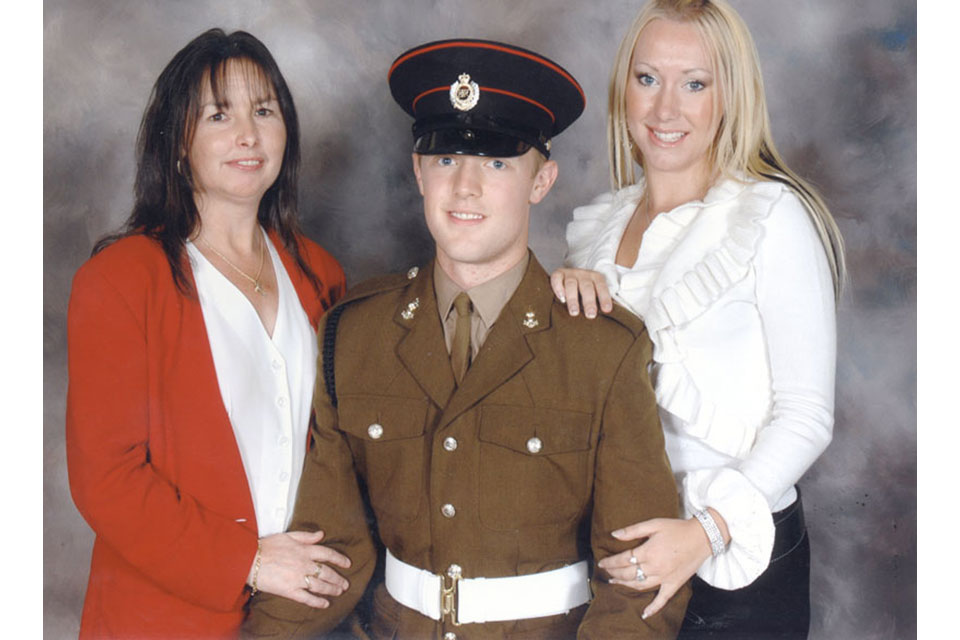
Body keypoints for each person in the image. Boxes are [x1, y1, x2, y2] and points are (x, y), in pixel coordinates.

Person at [244, 39, 690, 639]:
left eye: (498, 163)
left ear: (542, 181)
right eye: (447, 159)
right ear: (418, 172)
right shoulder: (353, 335)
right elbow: (329, 555)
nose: (466, 187)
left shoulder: (601, 348)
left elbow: (640, 578)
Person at [549, 1, 845, 638]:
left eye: (695, 84)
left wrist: (705, 532)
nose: (665, 111)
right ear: (623, 87)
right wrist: (555, 297)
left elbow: (807, 416)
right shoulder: (595, 233)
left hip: (741, 564)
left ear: (730, 94)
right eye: (648, 78)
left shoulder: (771, 217)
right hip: (621, 558)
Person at [66, 29, 353, 638]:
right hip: (164, 618)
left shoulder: (319, 274)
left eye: (264, 111)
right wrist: (246, 561)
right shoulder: (121, 280)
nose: (247, 134)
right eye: (218, 114)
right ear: (178, 143)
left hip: (297, 618)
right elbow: (107, 479)